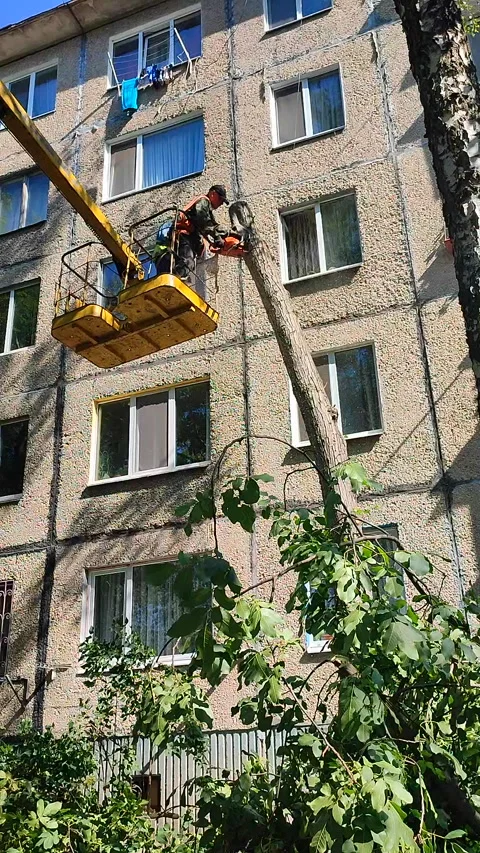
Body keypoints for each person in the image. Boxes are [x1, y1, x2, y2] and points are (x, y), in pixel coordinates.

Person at [154, 185, 242, 285]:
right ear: (212, 194)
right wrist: (224, 234)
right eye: (220, 199)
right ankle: (177, 283)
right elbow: (205, 222)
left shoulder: (207, 209)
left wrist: (220, 237)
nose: (221, 203)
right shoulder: (203, 201)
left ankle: (178, 280)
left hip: (188, 238)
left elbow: (211, 226)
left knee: (187, 263)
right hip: (185, 235)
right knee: (187, 262)